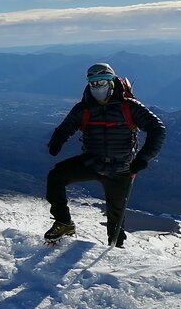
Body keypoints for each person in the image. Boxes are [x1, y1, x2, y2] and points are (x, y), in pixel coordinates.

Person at [44, 63, 166, 246]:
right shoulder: (84, 108)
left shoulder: (129, 106)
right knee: (55, 177)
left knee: (116, 216)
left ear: (111, 82)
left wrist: (143, 158)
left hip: (122, 167)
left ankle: (115, 250)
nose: (97, 86)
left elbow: (157, 129)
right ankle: (63, 223)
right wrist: (57, 140)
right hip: (92, 162)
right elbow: (66, 127)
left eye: (101, 81)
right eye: (93, 83)